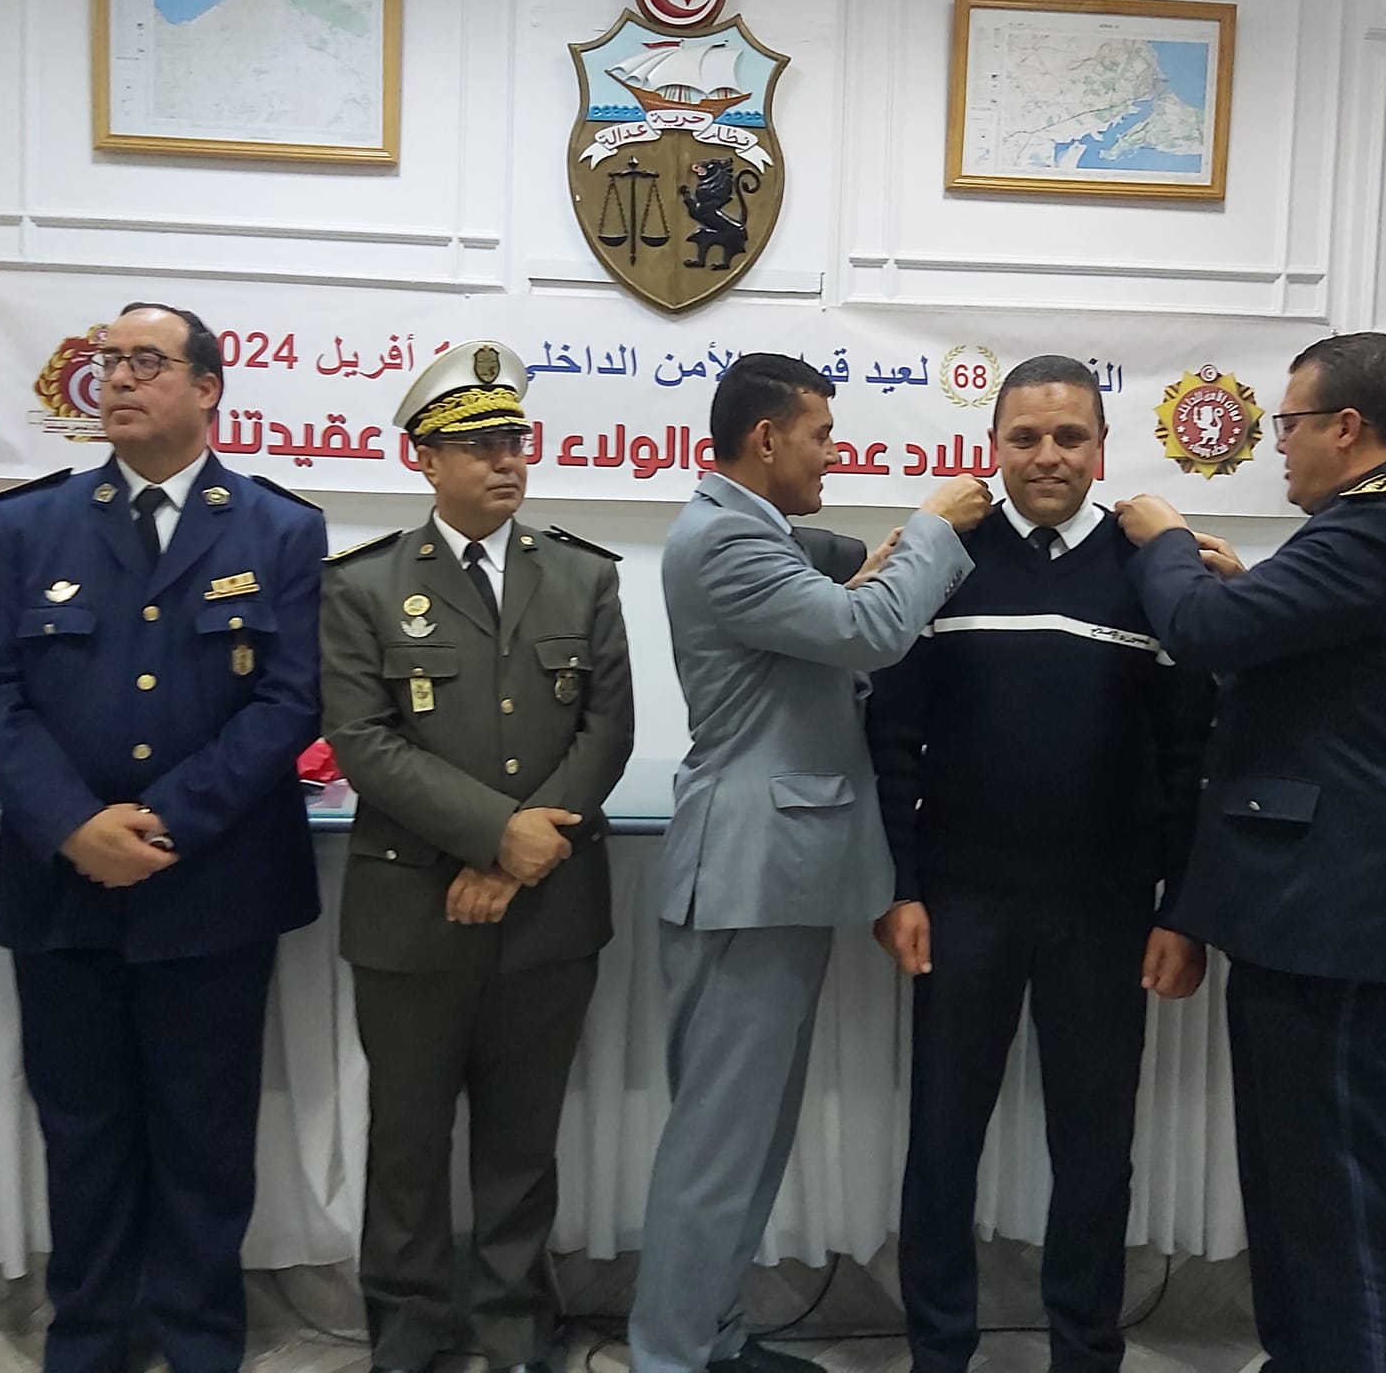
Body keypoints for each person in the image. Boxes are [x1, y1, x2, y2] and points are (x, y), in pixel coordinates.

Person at [0, 302, 327, 1373]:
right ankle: (89, 1339)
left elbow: (291, 701)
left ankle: (202, 1341)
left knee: (206, 1138)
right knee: (82, 1135)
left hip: (215, 888)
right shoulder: (30, 524)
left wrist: (166, 819)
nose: (116, 379)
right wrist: (73, 824)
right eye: (107, 361)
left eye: (145, 362)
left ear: (207, 388)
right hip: (63, 887)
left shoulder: (278, 530)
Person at [1116, 330, 1386, 1373]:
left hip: (1347, 922)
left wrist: (1164, 541)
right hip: (1312, 912)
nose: (1279, 445)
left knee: (1341, 1196)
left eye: (1288, 424)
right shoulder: (1378, 526)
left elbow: (1203, 631)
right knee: (1290, 1182)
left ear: (1345, 428)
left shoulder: (1377, 524)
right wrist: (1242, 587)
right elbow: (1293, 650)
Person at [628, 353, 991, 1373]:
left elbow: (839, 613)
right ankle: (668, 1356)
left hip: (775, 876)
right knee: (716, 1147)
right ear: (765, 439)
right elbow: (867, 631)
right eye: (821, 435)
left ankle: (713, 1338)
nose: (832, 453)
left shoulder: (757, 537)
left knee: (749, 1141)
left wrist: (889, 562)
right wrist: (933, 527)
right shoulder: (724, 539)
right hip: (744, 879)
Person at [866, 355, 1213, 1373]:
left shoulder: (1149, 568)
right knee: (942, 1143)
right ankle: (938, 1352)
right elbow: (891, 741)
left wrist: (1182, 909)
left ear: (1101, 449)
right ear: (993, 448)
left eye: (1069, 436)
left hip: (1107, 912)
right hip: (959, 903)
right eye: (1025, 437)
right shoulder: (946, 559)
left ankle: (1085, 1351)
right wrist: (898, 886)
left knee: (1096, 1151)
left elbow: (1189, 754)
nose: (1047, 455)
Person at [319, 340, 636, 1373]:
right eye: (479, 444)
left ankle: (514, 1332)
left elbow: (607, 729)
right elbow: (361, 740)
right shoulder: (363, 586)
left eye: (515, 440)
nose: (506, 460)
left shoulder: (582, 575)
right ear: (424, 459)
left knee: (521, 1147)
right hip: (412, 914)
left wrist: (518, 856)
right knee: (407, 1148)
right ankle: (407, 1337)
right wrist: (496, 834)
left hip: (547, 913)